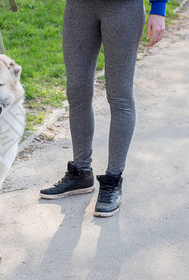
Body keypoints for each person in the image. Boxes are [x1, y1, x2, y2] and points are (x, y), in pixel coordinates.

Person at [40, 0, 168, 217]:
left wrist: (159, 9)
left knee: (120, 96)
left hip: (123, 8)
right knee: (77, 91)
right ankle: (81, 172)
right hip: (79, 7)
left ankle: (112, 180)